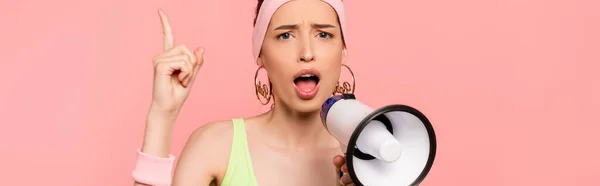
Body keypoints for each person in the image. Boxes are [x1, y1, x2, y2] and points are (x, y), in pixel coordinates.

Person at [132, 0, 356, 185]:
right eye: (286, 35)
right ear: (261, 53)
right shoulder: (214, 146)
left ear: (343, 51)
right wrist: (163, 114)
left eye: (323, 35)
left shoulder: (372, 152)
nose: (307, 53)